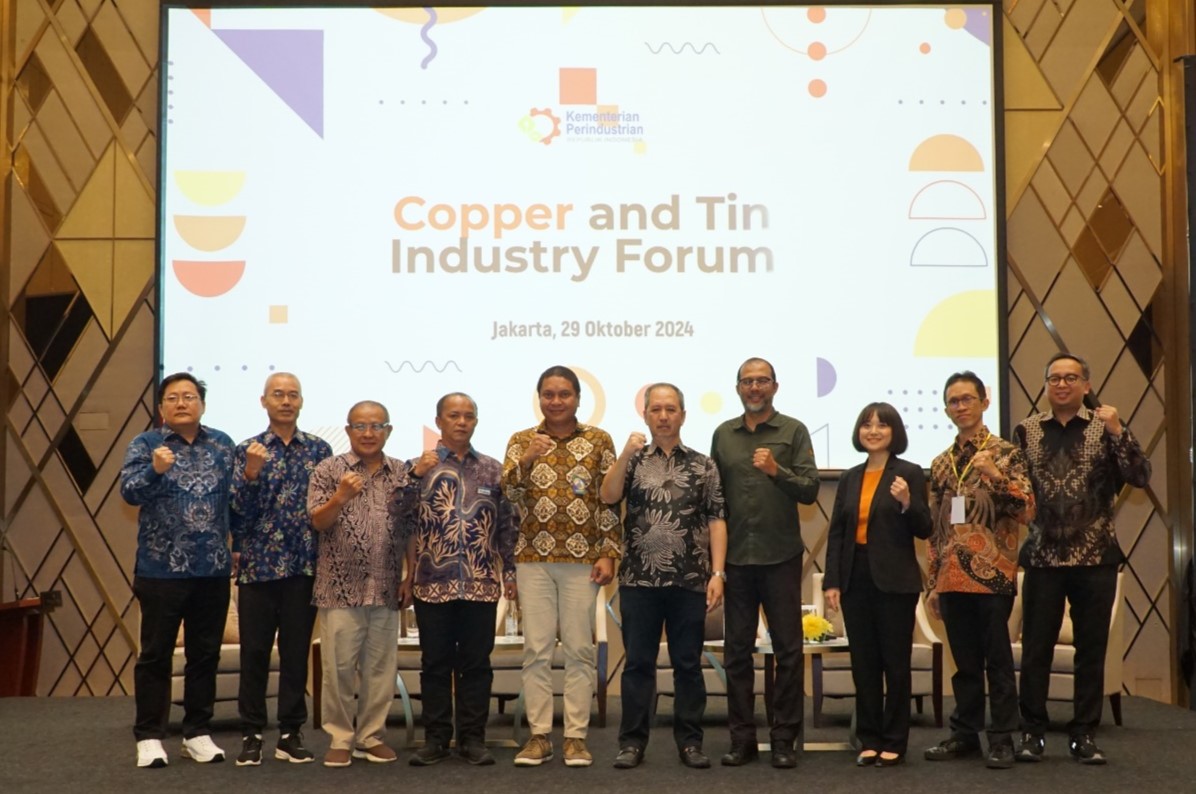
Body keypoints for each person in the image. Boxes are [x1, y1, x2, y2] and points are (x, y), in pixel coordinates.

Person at [1014, 353, 1151, 765]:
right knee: (1035, 649)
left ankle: (1083, 735)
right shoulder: (1026, 429)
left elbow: (1140, 476)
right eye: (1054, 378)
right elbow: (1015, 490)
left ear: (1086, 385)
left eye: (1070, 377)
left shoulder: (1105, 427)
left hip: (1095, 558)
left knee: (1090, 651)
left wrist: (1119, 431)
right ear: (1045, 385)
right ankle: (1032, 733)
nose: (1061, 384)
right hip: (1043, 557)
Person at [600, 383, 727, 770]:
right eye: (656, 409)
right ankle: (631, 743)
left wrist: (718, 572)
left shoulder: (703, 465)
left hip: (690, 580)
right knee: (638, 664)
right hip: (639, 581)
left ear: (683, 415)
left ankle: (690, 743)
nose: (663, 416)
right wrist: (625, 454)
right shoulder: (633, 460)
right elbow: (608, 496)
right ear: (645, 415)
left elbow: (717, 519)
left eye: (671, 409)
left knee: (688, 665)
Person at [502, 365, 621, 767]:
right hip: (532, 558)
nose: (556, 401)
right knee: (535, 649)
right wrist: (528, 459)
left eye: (564, 394)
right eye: (548, 394)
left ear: (577, 398)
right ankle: (539, 736)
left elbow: (609, 500)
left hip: (582, 560)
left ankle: (575, 737)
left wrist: (608, 551)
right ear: (539, 398)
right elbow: (508, 493)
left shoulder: (599, 440)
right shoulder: (521, 440)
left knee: (579, 649)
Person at [392, 393, 520, 767]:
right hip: (431, 584)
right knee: (435, 665)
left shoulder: (493, 470)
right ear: (439, 421)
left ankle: (472, 738)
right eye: (454, 415)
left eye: (468, 416)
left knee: (477, 665)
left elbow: (507, 526)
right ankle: (435, 739)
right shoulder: (416, 467)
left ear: (475, 422)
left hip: (481, 585)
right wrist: (415, 477)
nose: (462, 422)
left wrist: (510, 573)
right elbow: (397, 514)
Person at [120, 372, 236, 769]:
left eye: (189, 396)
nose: (182, 403)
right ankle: (150, 737)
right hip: (160, 570)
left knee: (205, 655)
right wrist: (154, 469)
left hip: (212, 569)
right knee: (156, 655)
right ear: (161, 407)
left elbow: (235, 502)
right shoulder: (146, 444)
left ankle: (197, 733)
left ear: (202, 404)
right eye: (173, 398)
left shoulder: (223, 444)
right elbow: (129, 493)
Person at [710, 357, 819, 768]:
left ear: (775, 386)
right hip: (736, 559)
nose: (754, 387)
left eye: (762, 381)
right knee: (737, 653)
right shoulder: (723, 435)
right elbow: (714, 499)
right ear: (738, 388)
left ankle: (784, 739)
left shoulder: (793, 430)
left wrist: (777, 471)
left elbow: (809, 490)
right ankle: (742, 740)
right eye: (747, 381)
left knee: (788, 651)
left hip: (780, 557)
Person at [923, 371, 1035, 769]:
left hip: (993, 574)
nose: (960, 407)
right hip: (951, 577)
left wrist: (995, 476)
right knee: (964, 664)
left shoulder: (1006, 453)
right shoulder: (941, 463)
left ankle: (1002, 738)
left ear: (985, 402)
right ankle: (965, 734)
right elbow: (937, 527)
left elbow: (1027, 510)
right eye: (953, 401)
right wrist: (933, 583)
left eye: (967, 399)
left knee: (997, 662)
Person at [229, 373, 331, 766]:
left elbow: (327, 509)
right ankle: (252, 733)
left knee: (295, 653)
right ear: (263, 401)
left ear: (301, 402)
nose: (286, 401)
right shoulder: (247, 450)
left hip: (304, 567)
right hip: (258, 568)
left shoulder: (319, 450)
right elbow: (237, 513)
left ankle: (291, 733)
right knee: (254, 653)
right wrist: (251, 474)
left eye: (292, 395)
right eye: (278, 394)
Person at [823, 402, 932, 767]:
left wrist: (907, 501)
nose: (873, 431)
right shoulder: (850, 477)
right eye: (867, 425)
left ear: (894, 432)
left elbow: (924, 528)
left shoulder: (909, 472)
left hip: (895, 582)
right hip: (855, 578)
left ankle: (895, 740)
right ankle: (868, 739)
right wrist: (832, 581)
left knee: (895, 665)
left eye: (881, 425)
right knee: (864, 664)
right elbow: (837, 533)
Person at [308, 401, 408, 768]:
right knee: (338, 669)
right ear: (348, 431)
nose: (368, 433)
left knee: (381, 669)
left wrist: (411, 574)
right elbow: (318, 522)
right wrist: (341, 497)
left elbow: (410, 528)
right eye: (360, 426)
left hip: (385, 585)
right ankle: (340, 737)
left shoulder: (401, 473)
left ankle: (371, 736)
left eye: (377, 426)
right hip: (339, 587)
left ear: (388, 431)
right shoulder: (328, 469)